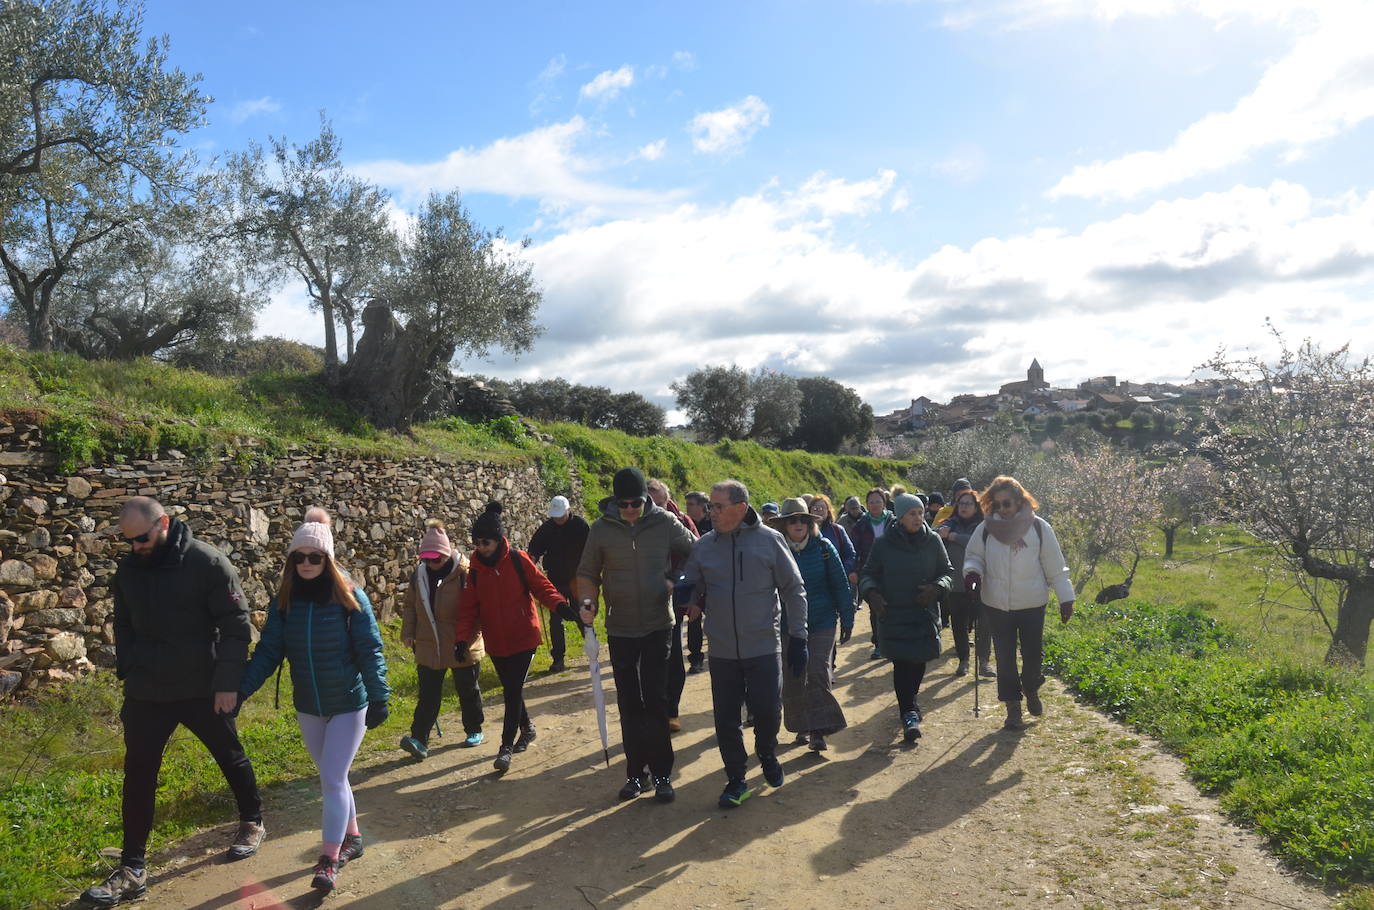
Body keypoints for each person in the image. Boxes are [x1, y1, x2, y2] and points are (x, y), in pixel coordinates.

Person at [81, 497, 265, 907]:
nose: (135, 547)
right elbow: (124, 620)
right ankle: (133, 869)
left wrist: (227, 683)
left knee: (228, 754)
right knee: (139, 773)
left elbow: (236, 626)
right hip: (148, 690)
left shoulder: (208, 563)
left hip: (202, 686)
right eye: (128, 541)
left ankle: (252, 821)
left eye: (141, 538)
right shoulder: (130, 568)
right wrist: (129, 666)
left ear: (163, 523)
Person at [238, 521, 389, 894]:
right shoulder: (285, 600)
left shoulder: (351, 597)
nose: (307, 563)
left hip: (348, 704)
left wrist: (380, 695)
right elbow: (269, 651)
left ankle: (328, 860)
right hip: (308, 704)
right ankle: (353, 838)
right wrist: (239, 691)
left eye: (315, 557)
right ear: (292, 560)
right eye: (300, 556)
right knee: (333, 778)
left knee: (333, 780)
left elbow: (370, 649)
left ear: (328, 559)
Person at [680, 480, 809, 809]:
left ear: (740, 508)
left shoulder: (770, 540)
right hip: (722, 649)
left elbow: (794, 588)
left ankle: (766, 751)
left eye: (718, 506)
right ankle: (736, 779)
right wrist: (686, 595)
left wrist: (799, 636)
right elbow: (691, 582)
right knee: (726, 719)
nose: (712, 512)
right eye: (710, 506)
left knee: (767, 710)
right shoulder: (705, 545)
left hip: (764, 645)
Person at [576, 468, 697, 802]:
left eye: (637, 503)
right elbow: (586, 572)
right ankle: (635, 774)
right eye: (624, 503)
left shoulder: (666, 523)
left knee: (655, 701)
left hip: (659, 625)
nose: (630, 509)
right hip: (620, 627)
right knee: (629, 703)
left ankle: (661, 775)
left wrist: (678, 581)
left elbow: (696, 552)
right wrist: (587, 602)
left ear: (646, 499)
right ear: (615, 502)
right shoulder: (601, 529)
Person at [454, 502, 570, 773]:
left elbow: (542, 587)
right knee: (512, 689)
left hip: (524, 639)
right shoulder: (475, 571)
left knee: (512, 691)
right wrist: (462, 640)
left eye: (486, 542)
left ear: (498, 540)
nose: (481, 547)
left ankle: (505, 747)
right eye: (477, 542)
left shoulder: (518, 559)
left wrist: (560, 606)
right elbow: (468, 609)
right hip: (497, 642)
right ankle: (527, 728)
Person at [962, 476, 1075, 730]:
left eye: (1007, 503)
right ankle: (1013, 707)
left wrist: (1066, 598)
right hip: (996, 604)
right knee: (1004, 657)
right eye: (997, 504)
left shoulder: (1039, 528)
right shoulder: (986, 529)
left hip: (1032, 604)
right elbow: (974, 557)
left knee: (1033, 655)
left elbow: (1056, 567)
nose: (1002, 509)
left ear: (1020, 500)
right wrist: (972, 574)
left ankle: (1031, 686)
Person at [858, 493, 953, 744]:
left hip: (923, 613)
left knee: (918, 662)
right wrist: (872, 594)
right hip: (894, 613)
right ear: (900, 517)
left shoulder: (932, 541)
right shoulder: (884, 544)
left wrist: (937, 588)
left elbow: (947, 572)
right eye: (912, 514)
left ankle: (910, 704)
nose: (918, 518)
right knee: (902, 664)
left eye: (921, 513)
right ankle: (908, 712)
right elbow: (868, 573)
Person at [769, 499, 853, 752]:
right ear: (784, 525)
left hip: (822, 621)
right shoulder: (774, 550)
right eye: (792, 520)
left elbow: (840, 584)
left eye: (803, 520)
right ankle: (802, 725)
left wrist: (847, 618)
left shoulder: (824, 547)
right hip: (787, 624)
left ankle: (820, 730)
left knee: (816, 670)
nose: (798, 524)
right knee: (794, 676)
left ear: (809, 523)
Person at [399, 520, 485, 759]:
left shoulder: (465, 573)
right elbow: (410, 607)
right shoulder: (420, 575)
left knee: (467, 689)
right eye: (426, 559)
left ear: (446, 554)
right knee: (428, 694)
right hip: (429, 643)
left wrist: (467, 641)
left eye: (435, 558)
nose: (431, 563)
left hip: (461, 643)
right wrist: (408, 633)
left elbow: (477, 612)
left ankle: (474, 729)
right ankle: (419, 739)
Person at [527, 495, 591, 673]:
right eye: (555, 516)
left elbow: (592, 550)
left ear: (568, 510)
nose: (558, 519)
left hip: (578, 580)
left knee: (582, 616)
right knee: (555, 621)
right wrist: (531, 560)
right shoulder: (547, 528)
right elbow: (534, 548)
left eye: (560, 515)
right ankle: (558, 660)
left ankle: (592, 649)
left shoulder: (581, 526)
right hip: (555, 580)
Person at [936, 490, 992, 677]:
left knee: (984, 625)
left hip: (982, 584)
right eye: (961, 504)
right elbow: (935, 537)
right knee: (958, 625)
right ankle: (964, 661)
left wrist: (953, 537)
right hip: (957, 585)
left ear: (976, 507)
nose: (964, 507)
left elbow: (981, 545)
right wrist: (944, 533)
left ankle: (984, 662)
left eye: (968, 503)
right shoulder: (948, 524)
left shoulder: (984, 527)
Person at [852, 488, 894, 659]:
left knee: (892, 607)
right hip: (869, 571)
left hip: (893, 571)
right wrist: (854, 570)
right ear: (866, 504)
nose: (874, 505)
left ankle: (891, 643)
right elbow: (853, 550)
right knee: (875, 609)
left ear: (884, 503)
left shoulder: (894, 522)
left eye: (878, 501)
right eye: (871, 502)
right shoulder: (860, 525)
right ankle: (878, 644)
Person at [681, 491, 712, 673]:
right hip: (694, 579)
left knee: (716, 617)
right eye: (687, 504)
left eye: (691, 504)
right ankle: (696, 659)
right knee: (693, 617)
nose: (688, 507)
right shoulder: (684, 523)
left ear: (702, 506)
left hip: (713, 579)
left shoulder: (713, 524)